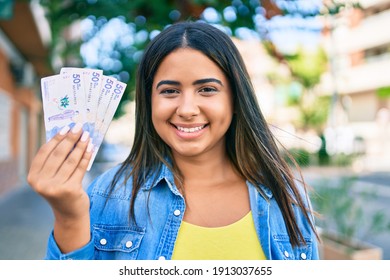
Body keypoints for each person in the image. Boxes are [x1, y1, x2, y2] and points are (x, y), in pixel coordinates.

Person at [27, 21, 319, 260]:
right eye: (169, 91)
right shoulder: (107, 194)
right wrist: (69, 215)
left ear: (235, 98)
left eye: (206, 89)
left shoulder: (285, 197)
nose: (187, 109)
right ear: (149, 100)